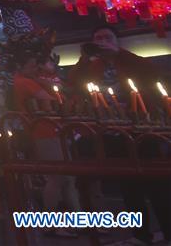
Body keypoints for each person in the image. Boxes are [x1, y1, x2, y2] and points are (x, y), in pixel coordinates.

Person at [69, 25, 170, 244]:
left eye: (107, 37)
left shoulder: (130, 61)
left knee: (157, 184)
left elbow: (151, 75)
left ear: (117, 40)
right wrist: (84, 58)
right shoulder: (92, 66)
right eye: (98, 38)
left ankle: (167, 230)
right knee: (128, 185)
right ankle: (141, 235)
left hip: (142, 128)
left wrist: (118, 53)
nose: (102, 41)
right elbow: (73, 83)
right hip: (112, 130)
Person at [12, 51, 82, 235]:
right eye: (32, 66)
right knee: (56, 178)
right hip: (44, 132)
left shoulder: (30, 80)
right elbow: (55, 101)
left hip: (54, 131)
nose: (36, 69)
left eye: (37, 65)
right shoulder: (24, 82)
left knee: (68, 179)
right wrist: (48, 84)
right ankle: (50, 224)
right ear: (20, 67)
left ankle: (79, 221)